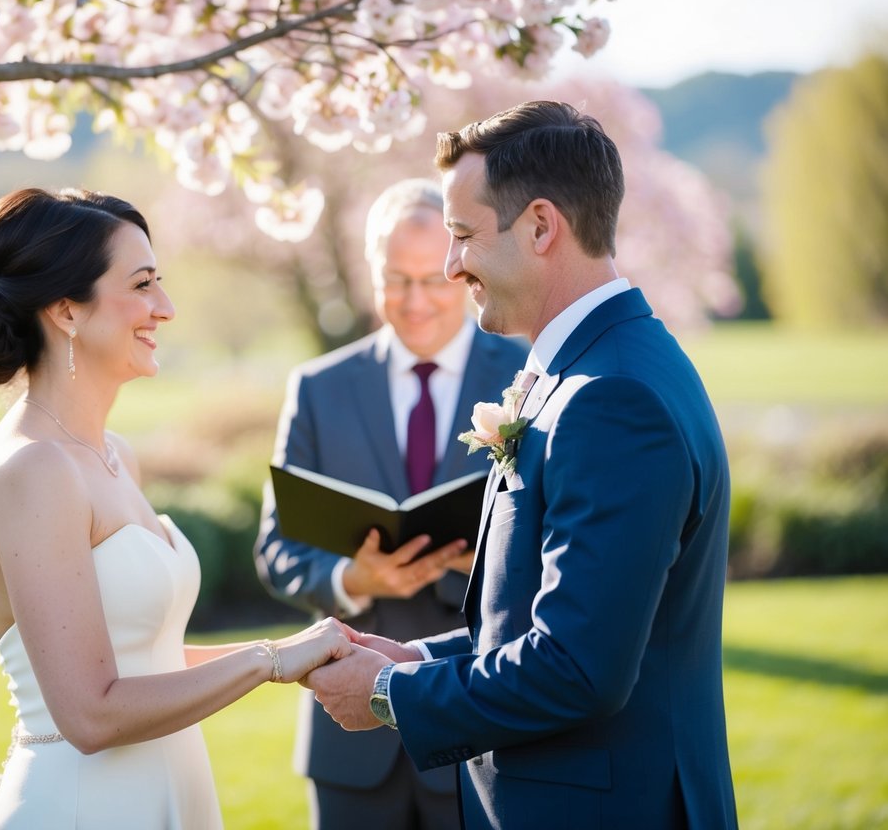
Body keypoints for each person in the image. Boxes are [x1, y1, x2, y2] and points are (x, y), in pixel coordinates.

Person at [305, 101, 739, 829]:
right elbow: (541, 618)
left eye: (463, 235)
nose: (448, 268)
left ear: (541, 227)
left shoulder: (611, 399)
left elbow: (575, 669)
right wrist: (415, 657)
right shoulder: (596, 366)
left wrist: (388, 695)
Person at [0, 187, 351, 830]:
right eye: (143, 284)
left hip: (167, 793)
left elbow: (143, 663)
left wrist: (290, 653)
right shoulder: (32, 472)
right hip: (84, 808)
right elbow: (92, 713)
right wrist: (267, 661)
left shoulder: (113, 456)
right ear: (67, 309)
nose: (167, 308)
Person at [255, 179, 528, 829]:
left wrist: (477, 562)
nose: (414, 302)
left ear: (463, 271)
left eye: (431, 280)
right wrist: (351, 577)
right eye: (393, 280)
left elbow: (556, 544)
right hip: (348, 744)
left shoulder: (529, 375)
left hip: (478, 721)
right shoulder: (318, 388)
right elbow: (274, 548)